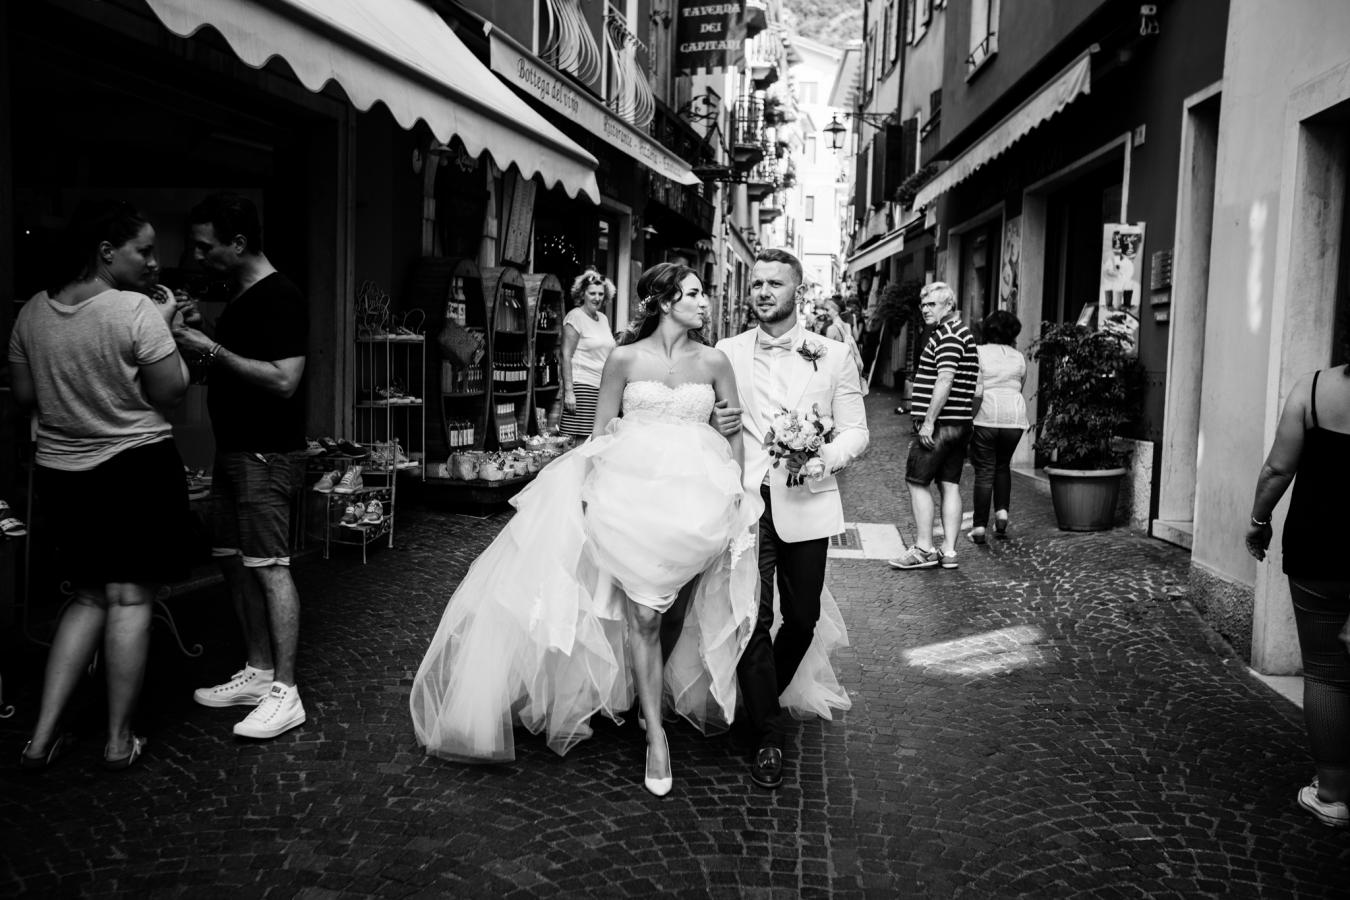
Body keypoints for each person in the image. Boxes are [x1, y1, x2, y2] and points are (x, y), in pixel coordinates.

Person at [10, 200, 192, 770]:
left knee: (86, 596)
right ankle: (118, 740)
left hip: (64, 475)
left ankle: (40, 738)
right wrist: (165, 329)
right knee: (130, 597)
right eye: (145, 250)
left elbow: (23, 398)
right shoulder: (135, 310)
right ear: (106, 253)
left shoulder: (32, 314)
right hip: (136, 468)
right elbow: (172, 393)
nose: (155, 262)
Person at [714, 248, 869, 790]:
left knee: (800, 618)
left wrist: (823, 456)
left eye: (774, 284)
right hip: (747, 499)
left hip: (809, 498)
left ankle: (760, 702)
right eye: (756, 283)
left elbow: (857, 429)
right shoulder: (726, 352)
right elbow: (712, 418)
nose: (761, 292)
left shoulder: (831, 354)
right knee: (750, 618)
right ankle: (769, 734)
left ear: (796, 290)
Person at [170, 192, 310, 741]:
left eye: (208, 247)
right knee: (232, 560)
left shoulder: (282, 296)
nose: (200, 255)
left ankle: (287, 693)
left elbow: (283, 380)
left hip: (264, 453)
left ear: (239, 243)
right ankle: (258, 670)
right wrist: (193, 337)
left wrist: (209, 348)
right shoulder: (240, 296)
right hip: (231, 452)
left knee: (270, 565)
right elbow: (218, 374)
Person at [1245, 363, 1350, 828]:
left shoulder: (1313, 389)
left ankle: (1331, 795)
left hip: (1320, 553)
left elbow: (1277, 468)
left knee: (1327, 675)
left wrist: (1258, 520)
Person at [887, 282, 980, 571]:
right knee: (949, 485)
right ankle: (949, 552)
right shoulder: (960, 333)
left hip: (939, 425)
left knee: (916, 482)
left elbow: (945, 379)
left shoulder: (949, 335)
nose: (925, 309)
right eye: (923, 304)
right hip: (959, 422)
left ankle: (924, 549)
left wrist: (928, 422)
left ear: (949, 306)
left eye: (933, 304)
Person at [967, 311, 1029, 544]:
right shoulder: (1019, 357)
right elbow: (1021, 385)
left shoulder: (978, 352)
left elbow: (976, 389)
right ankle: (1002, 515)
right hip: (1014, 417)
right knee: (1002, 466)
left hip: (986, 416)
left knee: (984, 470)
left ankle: (979, 527)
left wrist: (968, 417)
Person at [557, 269, 616, 439]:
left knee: (596, 440)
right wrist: (569, 392)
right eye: (592, 293)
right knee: (579, 443)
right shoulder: (575, 316)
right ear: (583, 293)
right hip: (582, 388)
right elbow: (565, 355)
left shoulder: (603, 319)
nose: (597, 298)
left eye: (600, 294)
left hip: (601, 389)